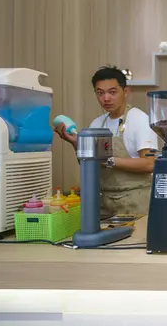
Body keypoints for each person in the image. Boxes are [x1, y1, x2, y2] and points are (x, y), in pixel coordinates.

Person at [54, 66, 158, 218]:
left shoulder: (140, 120)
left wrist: (108, 160)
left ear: (125, 91)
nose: (106, 98)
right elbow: (88, 164)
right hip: (104, 202)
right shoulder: (97, 124)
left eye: (112, 92)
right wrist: (76, 143)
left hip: (135, 202)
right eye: (100, 93)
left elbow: (149, 164)